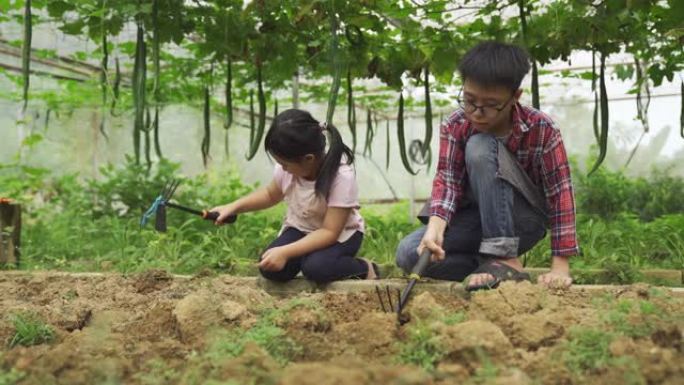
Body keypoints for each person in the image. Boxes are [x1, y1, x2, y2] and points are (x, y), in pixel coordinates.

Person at [395, 41, 579, 291]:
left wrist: (560, 267)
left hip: (522, 222)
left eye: (491, 105)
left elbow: (561, 196)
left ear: (515, 97)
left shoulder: (542, 129)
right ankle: (489, 268)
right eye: (470, 100)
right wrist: (435, 229)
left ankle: (504, 259)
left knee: (480, 146)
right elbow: (448, 182)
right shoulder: (455, 124)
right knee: (409, 254)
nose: (477, 113)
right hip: (475, 221)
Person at [210, 109, 377, 283]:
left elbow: (329, 232)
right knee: (271, 268)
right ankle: (309, 256)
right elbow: (269, 195)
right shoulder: (289, 170)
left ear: (308, 159)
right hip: (301, 228)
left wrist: (286, 251)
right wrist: (233, 206)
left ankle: (364, 268)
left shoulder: (341, 178)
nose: (282, 168)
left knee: (316, 268)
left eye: (284, 164)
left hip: (340, 235)